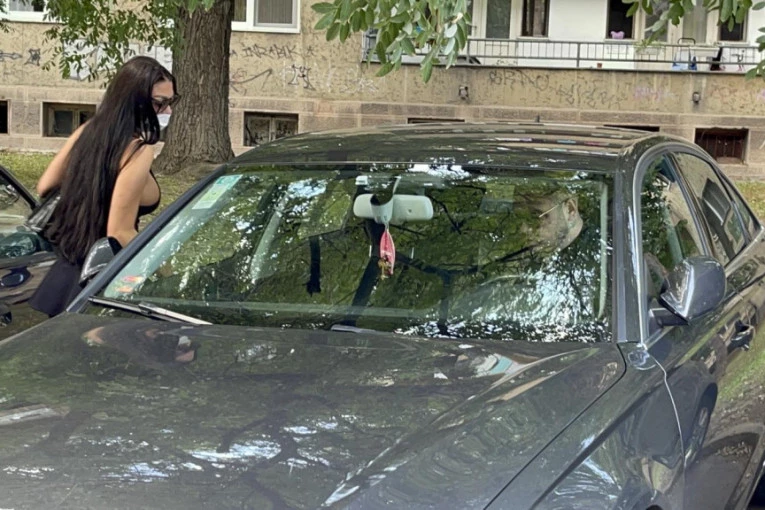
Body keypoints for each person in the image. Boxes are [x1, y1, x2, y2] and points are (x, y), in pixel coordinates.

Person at [29, 56, 179, 317]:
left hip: (63, 273)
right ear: (134, 101)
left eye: (171, 102)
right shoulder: (138, 150)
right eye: (159, 103)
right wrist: (163, 268)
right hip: (100, 280)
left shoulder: (87, 131)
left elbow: (45, 186)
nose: (167, 112)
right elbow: (119, 231)